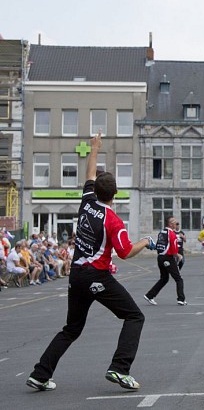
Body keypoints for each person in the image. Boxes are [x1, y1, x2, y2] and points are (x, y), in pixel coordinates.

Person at [27, 132, 154, 392]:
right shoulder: (114, 221)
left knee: (72, 328)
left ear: (95, 189)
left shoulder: (86, 202)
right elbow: (127, 251)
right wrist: (146, 241)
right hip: (96, 276)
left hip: (77, 275)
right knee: (134, 316)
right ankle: (120, 368)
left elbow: (89, 172)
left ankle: (40, 374)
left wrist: (94, 149)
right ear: (115, 193)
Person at [144, 216, 186, 306]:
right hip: (168, 258)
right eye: (174, 222)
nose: (176, 223)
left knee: (164, 278)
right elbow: (174, 250)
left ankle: (149, 295)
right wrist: (179, 256)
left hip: (160, 257)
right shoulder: (172, 234)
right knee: (179, 279)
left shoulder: (162, 232)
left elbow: (158, 245)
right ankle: (181, 299)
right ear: (170, 224)